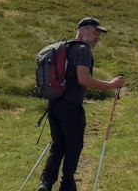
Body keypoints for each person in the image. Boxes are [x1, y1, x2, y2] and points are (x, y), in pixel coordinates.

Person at [40, 17, 125, 191]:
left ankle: (46, 183)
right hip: (71, 106)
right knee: (73, 146)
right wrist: (110, 85)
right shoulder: (83, 50)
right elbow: (83, 79)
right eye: (96, 33)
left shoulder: (65, 48)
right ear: (83, 31)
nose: (97, 38)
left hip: (54, 104)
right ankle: (67, 185)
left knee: (58, 145)